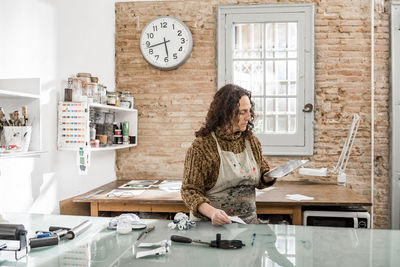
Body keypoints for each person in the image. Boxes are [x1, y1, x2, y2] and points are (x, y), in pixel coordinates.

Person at [181, 84, 276, 225]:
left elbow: (261, 177)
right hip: (211, 226)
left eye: (249, 111)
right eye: (242, 112)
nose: (249, 117)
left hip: (248, 226)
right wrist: (212, 212)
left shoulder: (251, 141)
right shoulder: (202, 147)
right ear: (225, 113)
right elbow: (189, 191)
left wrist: (270, 176)